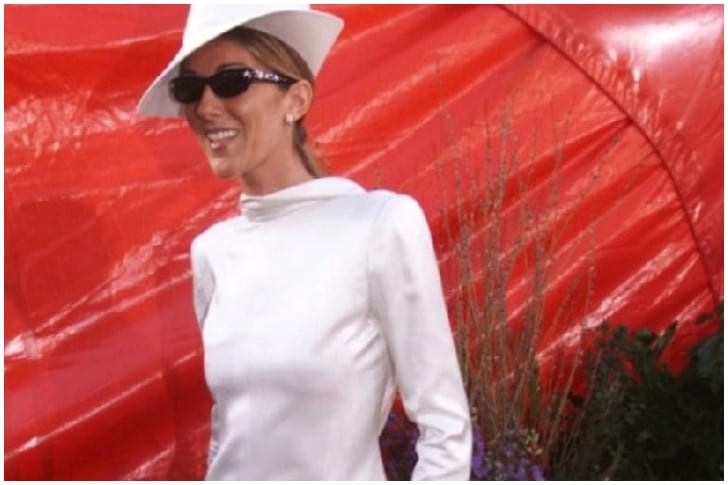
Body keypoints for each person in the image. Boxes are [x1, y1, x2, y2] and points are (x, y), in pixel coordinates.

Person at [137, 4, 472, 480]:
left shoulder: (378, 226)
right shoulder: (213, 252)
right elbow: (232, 428)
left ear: (296, 100)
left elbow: (445, 429)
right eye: (190, 88)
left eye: (231, 81)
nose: (206, 107)